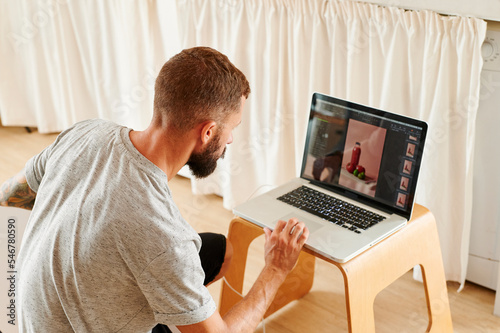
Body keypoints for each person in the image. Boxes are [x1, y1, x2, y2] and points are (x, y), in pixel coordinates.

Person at [0, 46, 309, 333]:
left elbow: (8, 197)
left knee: (220, 250)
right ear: (208, 132)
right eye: (232, 129)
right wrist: (276, 269)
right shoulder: (163, 236)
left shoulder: (85, 133)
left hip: (26, 321)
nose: (229, 140)